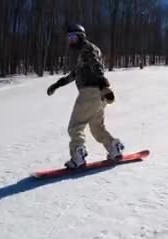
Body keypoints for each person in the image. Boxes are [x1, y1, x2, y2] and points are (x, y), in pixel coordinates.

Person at [46, 23, 124, 169]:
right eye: (68, 38)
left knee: (75, 127)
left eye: (73, 37)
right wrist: (57, 84)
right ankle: (114, 148)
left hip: (90, 92)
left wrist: (103, 82)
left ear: (81, 37)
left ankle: (78, 157)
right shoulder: (83, 54)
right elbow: (75, 74)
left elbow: (96, 64)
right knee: (97, 128)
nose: (70, 41)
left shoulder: (88, 49)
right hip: (98, 95)